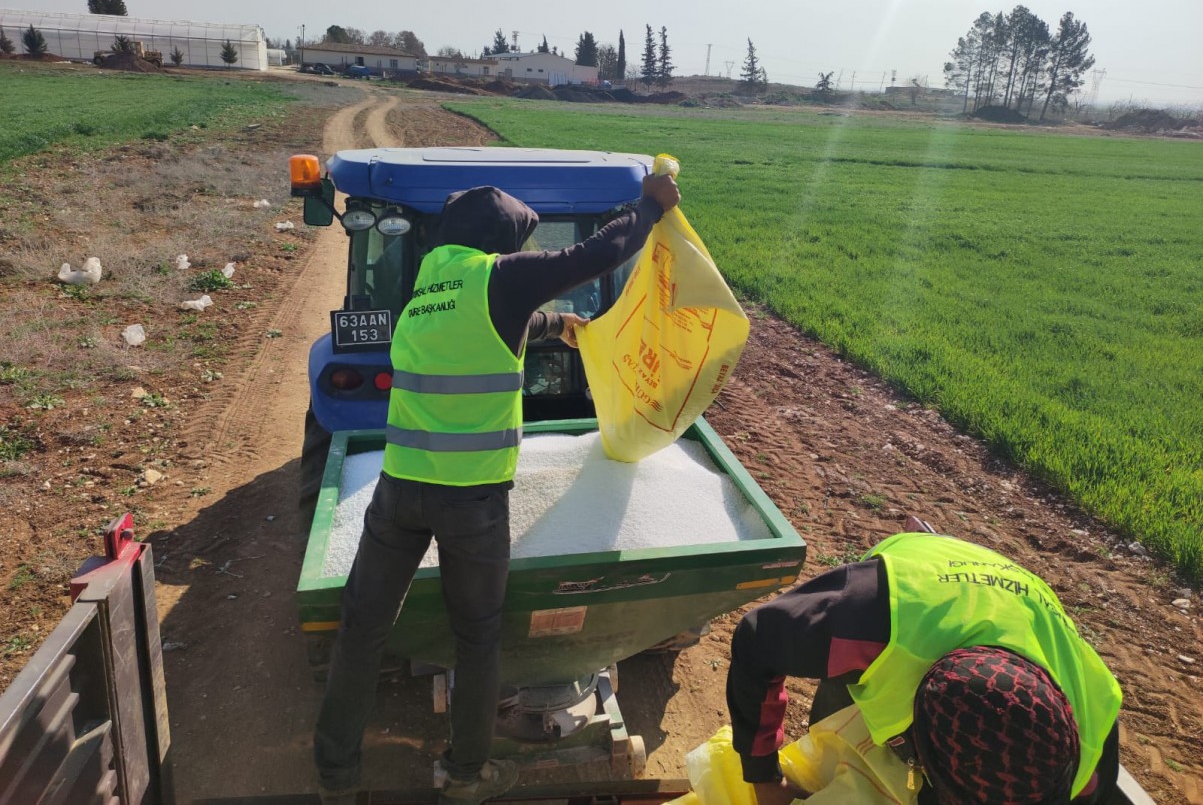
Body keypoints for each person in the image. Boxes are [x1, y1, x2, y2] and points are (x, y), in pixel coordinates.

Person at [314, 172, 682, 805]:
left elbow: (494, 327)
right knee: (477, 638)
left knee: (363, 630)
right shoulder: (500, 277)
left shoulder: (430, 287)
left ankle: (336, 778)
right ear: (498, 243)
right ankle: (465, 776)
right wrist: (648, 208)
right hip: (472, 503)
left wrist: (555, 323)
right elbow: (594, 256)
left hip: (399, 492)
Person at [726, 528, 1123, 805]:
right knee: (842, 720)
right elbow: (756, 638)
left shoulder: (1093, 726)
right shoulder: (866, 626)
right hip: (918, 579)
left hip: (1011, 607)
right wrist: (764, 778)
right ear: (918, 742)